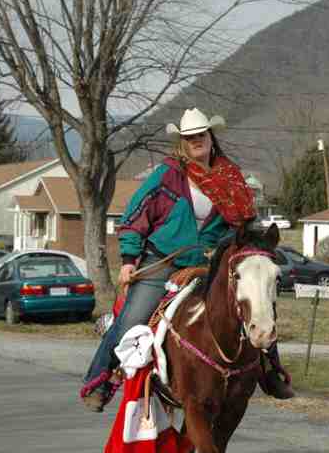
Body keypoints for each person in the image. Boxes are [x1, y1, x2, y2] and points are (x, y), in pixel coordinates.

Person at [81, 108, 293, 412]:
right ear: (182, 142)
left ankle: (271, 372)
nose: (196, 140)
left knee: (256, 302)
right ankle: (98, 381)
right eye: (190, 137)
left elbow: (245, 222)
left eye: (201, 135)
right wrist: (129, 259)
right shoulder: (167, 175)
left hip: (212, 260)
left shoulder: (230, 177)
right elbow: (134, 217)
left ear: (210, 137)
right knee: (132, 318)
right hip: (165, 259)